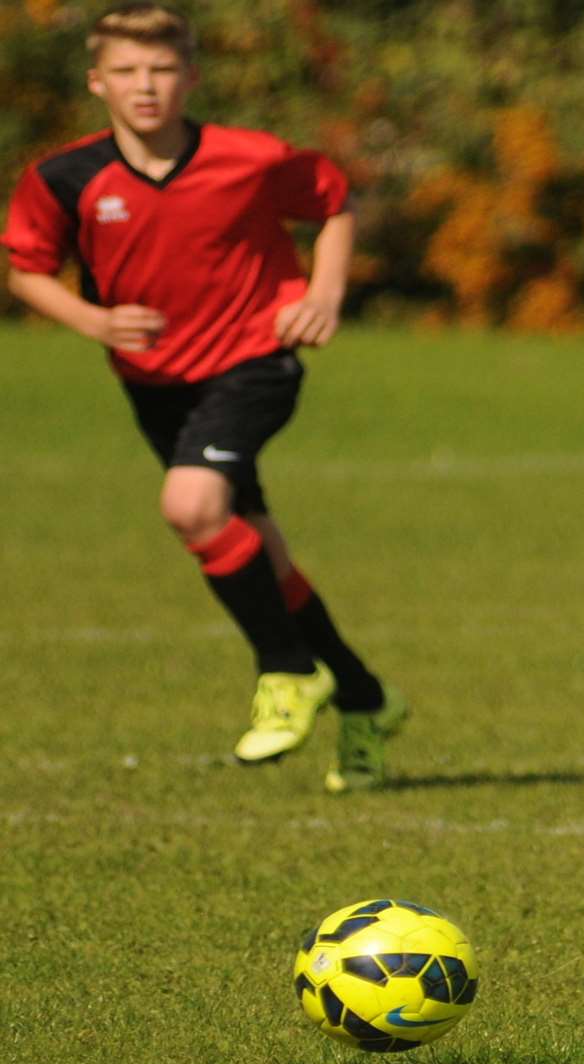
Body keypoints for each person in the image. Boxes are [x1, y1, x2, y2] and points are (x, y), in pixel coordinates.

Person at [2, 3, 409, 793]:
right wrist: (93, 319)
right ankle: (365, 697)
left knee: (190, 505)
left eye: (160, 70)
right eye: (126, 72)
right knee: (259, 553)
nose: (144, 86)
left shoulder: (248, 158)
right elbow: (25, 269)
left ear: (189, 77)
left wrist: (323, 292)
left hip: (254, 361)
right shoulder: (64, 177)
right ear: (98, 82)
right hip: (156, 385)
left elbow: (332, 200)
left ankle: (288, 670)